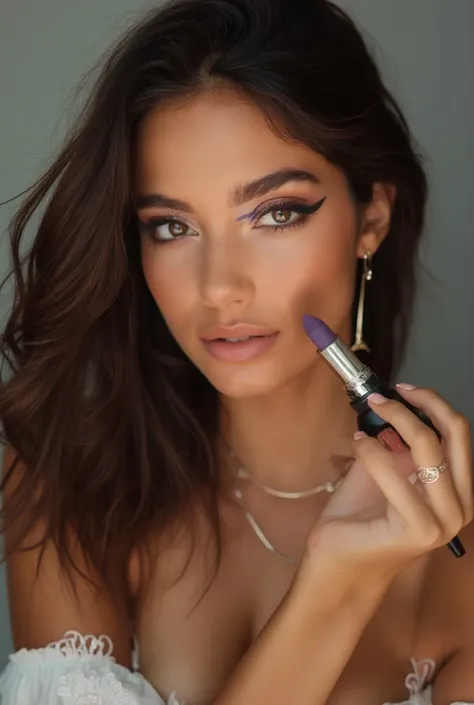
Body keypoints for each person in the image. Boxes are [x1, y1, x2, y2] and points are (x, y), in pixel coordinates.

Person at [0, 0, 473, 703]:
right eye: (170, 227)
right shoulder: (68, 481)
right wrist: (335, 588)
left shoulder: (459, 551)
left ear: (370, 215)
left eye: (276, 213)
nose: (220, 287)